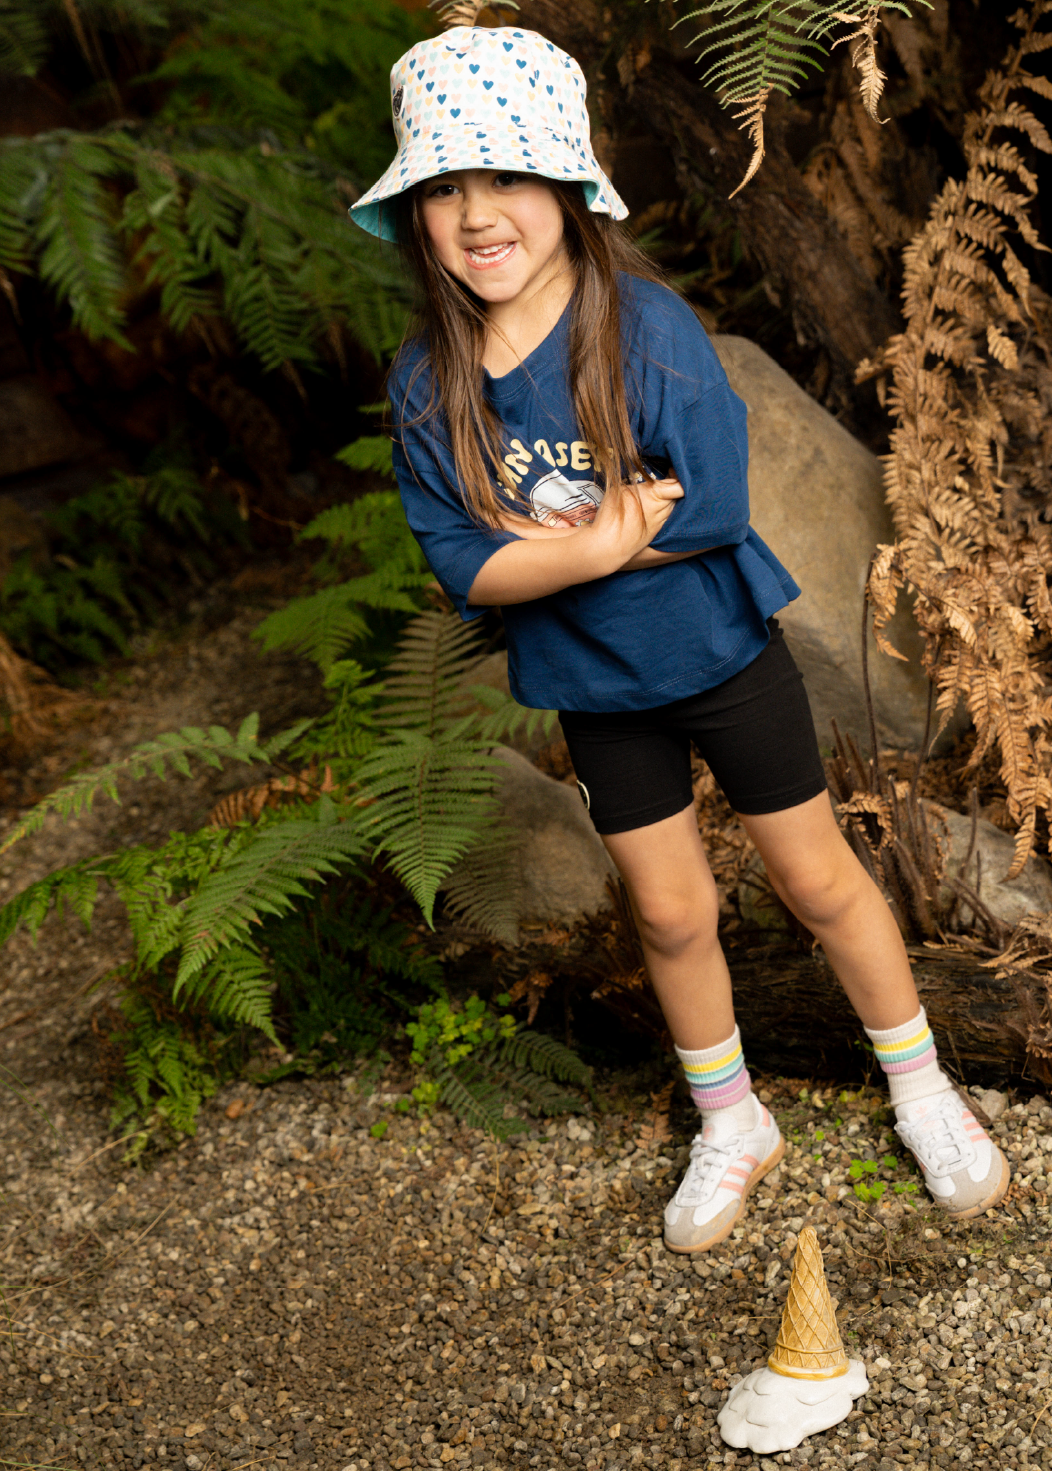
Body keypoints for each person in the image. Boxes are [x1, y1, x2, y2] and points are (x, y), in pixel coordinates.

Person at [350, 23, 1011, 1253]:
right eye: (443, 186)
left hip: (720, 657)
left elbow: (703, 502)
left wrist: (534, 546)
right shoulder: (428, 379)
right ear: (414, 214)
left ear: (562, 184)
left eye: (502, 177)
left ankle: (921, 1089)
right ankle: (731, 1118)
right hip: (593, 685)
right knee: (665, 911)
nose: (476, 212)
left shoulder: (642, 331)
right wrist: (597, 541)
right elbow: (459, 562)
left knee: (816, 878)